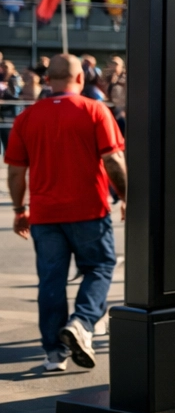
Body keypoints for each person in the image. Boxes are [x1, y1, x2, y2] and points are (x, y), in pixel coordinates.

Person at [7, 54, 127, 373]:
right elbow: (114, 161)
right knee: (100, 267)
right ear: (81, 79)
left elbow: (17, 173)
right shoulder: (95, 110)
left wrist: (20, 210)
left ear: (47, 81)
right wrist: (127, 196)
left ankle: (53, 353)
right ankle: (82, 322)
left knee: (50, 281)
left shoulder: (26, 118)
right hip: (89, 208)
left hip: (45, 214)